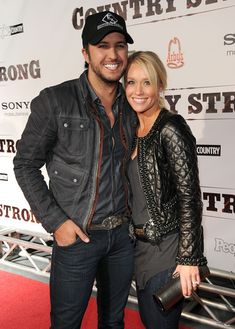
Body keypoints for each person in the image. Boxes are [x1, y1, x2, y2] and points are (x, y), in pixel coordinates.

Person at [13, 11, 137, 329]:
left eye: (120, 45)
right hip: (78, 237)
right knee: (66, 323)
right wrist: (57, 223)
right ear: (86, 53)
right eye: (102, 45)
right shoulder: (55, 101)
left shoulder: (132, 105)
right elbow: (25, 164)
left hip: (121, 237)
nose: (113, 54)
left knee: (114, 321)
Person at [124, 51, 208, 329]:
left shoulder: (170, 127)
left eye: (146, 83)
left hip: (167, 250)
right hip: (140, 249)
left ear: (160, 85)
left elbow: (190, 197)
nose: (138, 91)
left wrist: (188, 258)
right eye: (131, 82)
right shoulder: (131, 128)